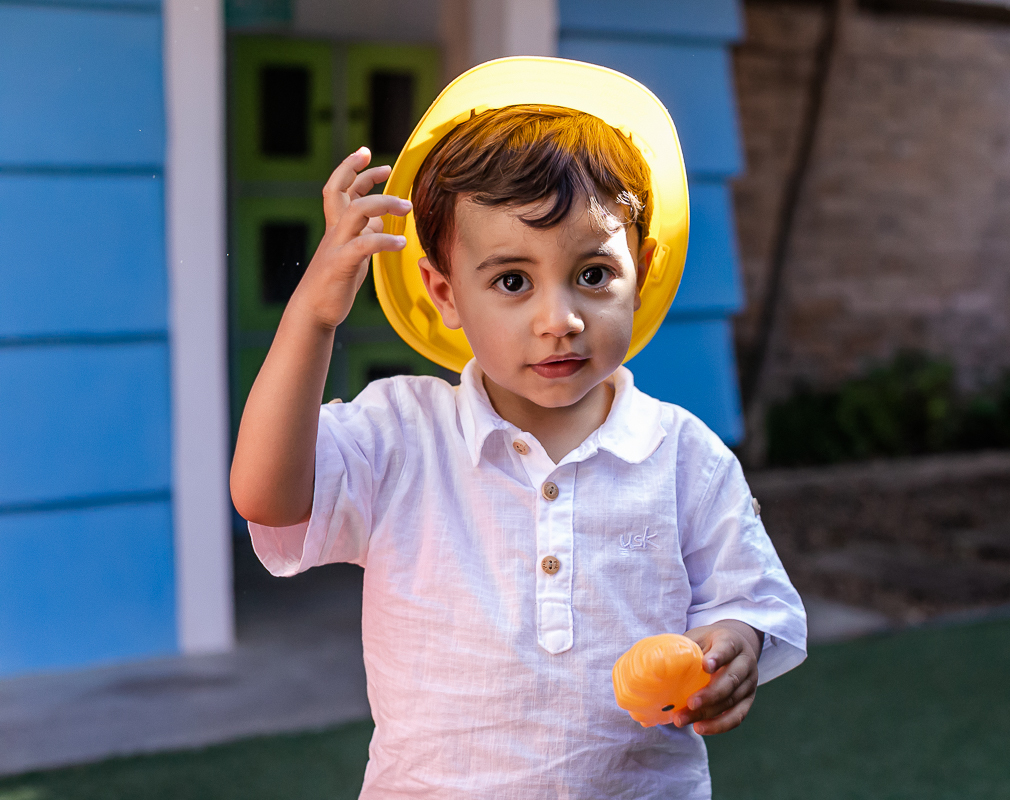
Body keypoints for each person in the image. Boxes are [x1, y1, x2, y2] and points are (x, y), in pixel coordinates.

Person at [230, 57, 807, 799]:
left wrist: (730, 648)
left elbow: (745, 599)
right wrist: (312, 317)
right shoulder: (402, 434)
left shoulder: (683, 456)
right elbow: (266, 497)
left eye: (593, 274)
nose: (558, 319)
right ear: (444, 293)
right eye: (512, 281)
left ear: (644, 266)